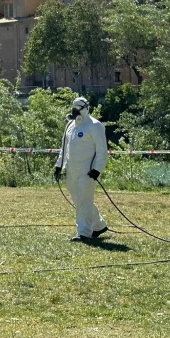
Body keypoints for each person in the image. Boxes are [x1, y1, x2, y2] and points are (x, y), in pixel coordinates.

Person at [54, 97, 109, 242]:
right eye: (73, 107)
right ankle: (99, 225)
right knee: (80, 201)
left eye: (78, 108)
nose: (74, 111)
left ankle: (84, 233)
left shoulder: (95, 126)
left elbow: (102, 151)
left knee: (84, 200)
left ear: (85, 108)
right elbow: (64, 148)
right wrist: (59, 165)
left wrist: (97, 169)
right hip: (72, 171)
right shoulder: (70, 126)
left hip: (87, 172)